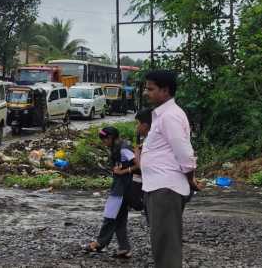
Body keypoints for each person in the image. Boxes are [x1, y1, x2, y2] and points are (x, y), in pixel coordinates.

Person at [141, 70, 199, 268]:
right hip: (157, 187)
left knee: (166, 245)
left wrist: (190, 179)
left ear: (165, 90)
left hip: (165, 188)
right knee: (161, 242)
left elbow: (185, 153)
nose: (145, 92)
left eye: (150, 89)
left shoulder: (170, 116)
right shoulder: (162, 115)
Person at [85, 126, 136, 259]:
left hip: (123, 187)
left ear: (110, 138)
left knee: (110, 215)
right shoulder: (117, 147)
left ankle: (100, 243)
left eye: (104, 140)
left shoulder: (123, 148)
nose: (104, 143)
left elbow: (139, 164)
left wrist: (123, 171)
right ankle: (124, 248)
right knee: (119, 218)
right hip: (121, 186)